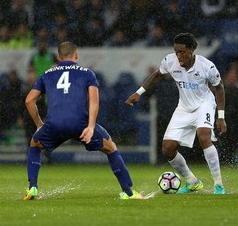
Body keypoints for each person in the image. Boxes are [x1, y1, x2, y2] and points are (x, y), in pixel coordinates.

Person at [23, 42, 146, 200]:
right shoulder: (87, 73)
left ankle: (32, 187)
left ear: (59, 58)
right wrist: (90, 126)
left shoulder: (47, 74)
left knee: (34, 146)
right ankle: (128, 192)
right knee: (111, 148)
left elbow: (29, 101)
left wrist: (40, 124)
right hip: (79, 123)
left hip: (54, 123)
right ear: (76, 55)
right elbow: (94, 101)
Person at [125, 33, 227, 194]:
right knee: (167, 148)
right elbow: (157, 74)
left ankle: (219, 185)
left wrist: (221, 117)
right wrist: (139, 92)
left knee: (204, 135)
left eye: (182, 52)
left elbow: (219, 87)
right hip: (184, 108)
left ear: (192, 50)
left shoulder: (207, 66)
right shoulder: (170, 61)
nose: (178, 55)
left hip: (204, 104)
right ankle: (192, 182)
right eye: (176, 51)